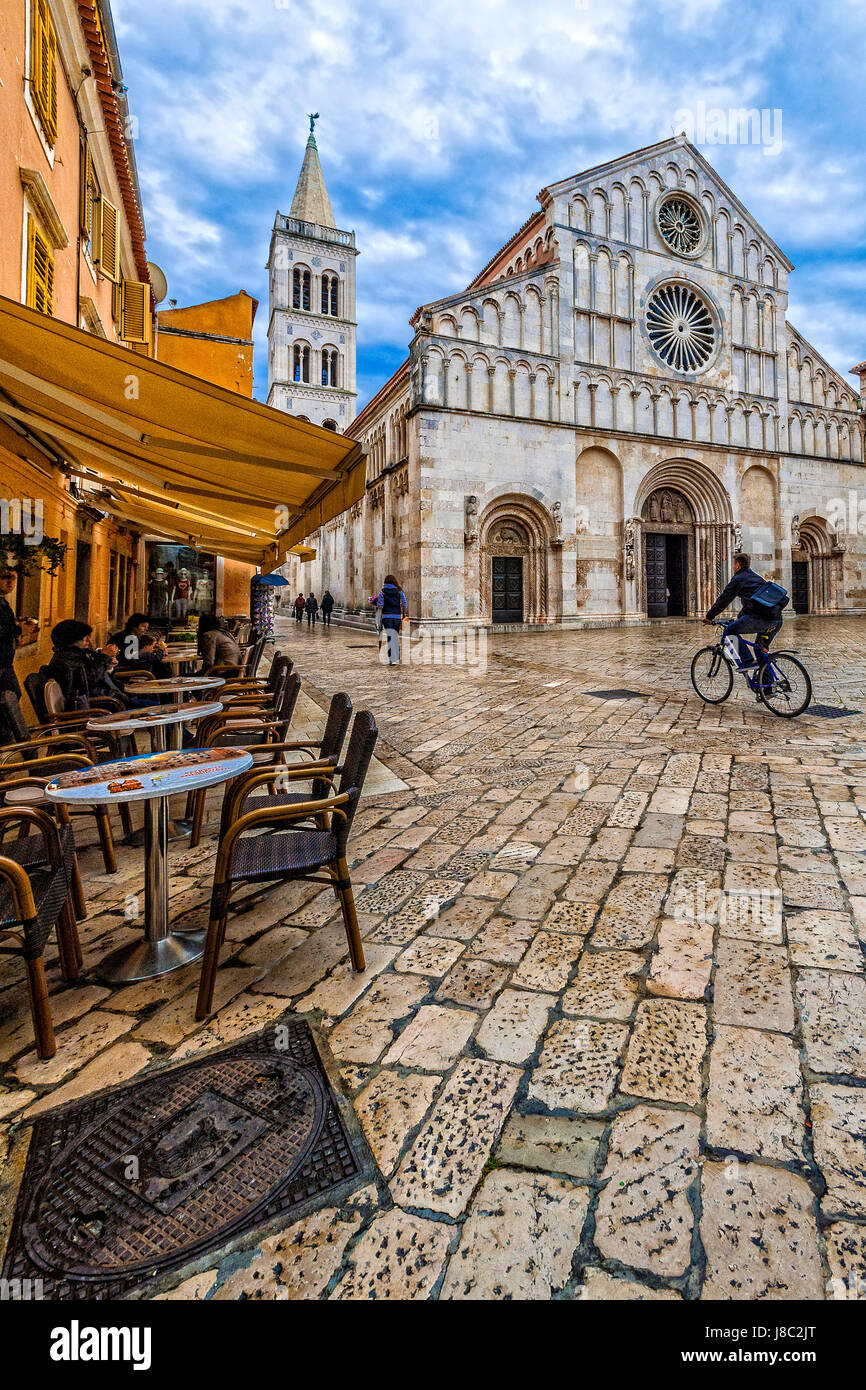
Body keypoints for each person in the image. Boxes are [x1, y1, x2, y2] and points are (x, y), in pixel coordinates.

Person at [704, 552, 783, 681]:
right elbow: (753, 602)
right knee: (760, 649)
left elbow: (724, 599)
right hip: (776, 619)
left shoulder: (738, 579)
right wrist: (740, 616)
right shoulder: (755, 577)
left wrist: (709, 616)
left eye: (733, 564)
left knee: (730, 630)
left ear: (738, 565)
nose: (732, 567)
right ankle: (767, 686)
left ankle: (747, 661)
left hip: (761, 619)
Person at [46, 620, 128, 709]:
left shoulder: (79, 654)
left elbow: (98, 675)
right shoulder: (65, 660)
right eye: (84, 638)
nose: (88, 641)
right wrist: (104, 657)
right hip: (100, 705)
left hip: (110, 698)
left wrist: (108, 665)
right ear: (71, 641)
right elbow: (92, 680)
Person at [0, 566, 39, 743]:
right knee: (8, 703)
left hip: (5, 664)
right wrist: (18, 630)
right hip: (2, 667)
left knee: (11, 700)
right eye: (5, 577)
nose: (10, 582)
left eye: (13, 578)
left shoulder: (4, 603)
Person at [376, 574, 408, 665]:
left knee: (390, 637)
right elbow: (404, 604)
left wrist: (375, 602)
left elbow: (380, 605)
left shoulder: (382, 592)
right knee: (395, 636)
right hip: (397, 617)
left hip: (386, 617)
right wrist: (403, 613)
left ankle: (392, 659)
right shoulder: (399, 591)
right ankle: (396, 657)